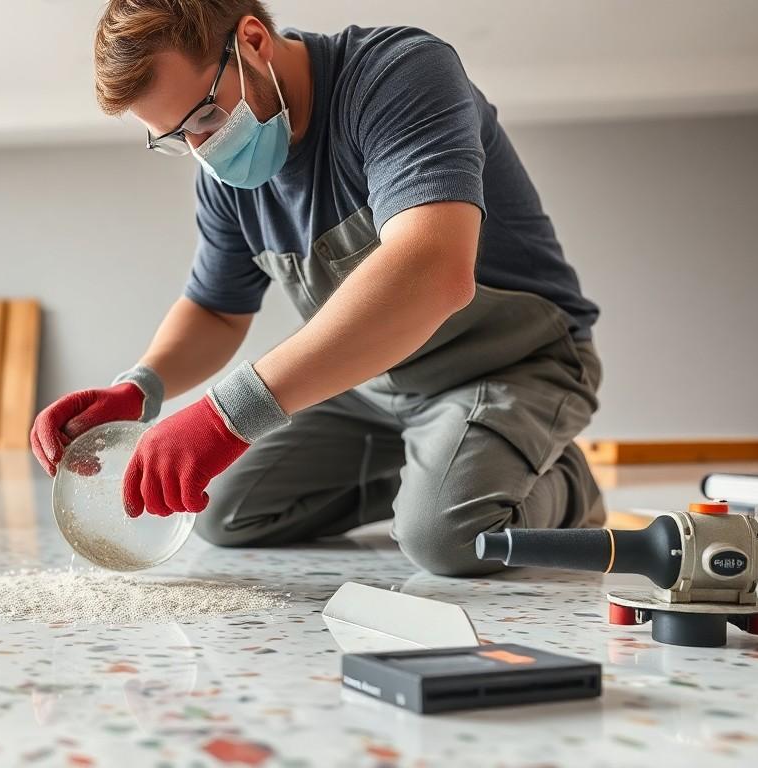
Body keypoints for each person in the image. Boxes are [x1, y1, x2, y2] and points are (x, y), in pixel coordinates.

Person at [30, 0, 603, 576]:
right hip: (374, 383)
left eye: (205, 118)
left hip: (508, 365)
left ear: (252, 41)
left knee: (448, 540)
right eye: (176, 139)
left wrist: (227, 416)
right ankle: (448, 470)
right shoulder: (232, 178)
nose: (204, 150)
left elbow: (431, 271)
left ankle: (558, 483)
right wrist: (140, 388)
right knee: (224, 512)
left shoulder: (398, 75)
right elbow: (216, 309)